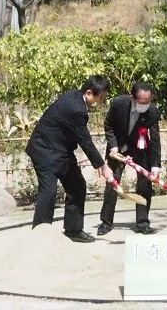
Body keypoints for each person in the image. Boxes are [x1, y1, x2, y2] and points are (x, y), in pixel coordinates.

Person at [25, 75, 115, 243]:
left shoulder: (76, 97)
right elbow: (85, 141)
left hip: (61, 152)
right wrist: (103, 166)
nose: (100, 102)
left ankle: (73, 230)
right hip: (44, 151)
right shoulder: (76, 109)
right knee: (49, 191)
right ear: (89, 93)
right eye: (99, 98)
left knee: (77, 185)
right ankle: (40, 236)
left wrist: (100, 165)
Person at [97, 81, 162, 236]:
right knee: (113, 182)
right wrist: (113, 146)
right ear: (133, 98)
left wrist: (155, 165)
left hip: (140, 148)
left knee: (144, 184)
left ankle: (143, 222)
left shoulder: (152, 111)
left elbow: (155, 138)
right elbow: (108, 125)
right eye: (141, 102)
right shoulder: (119, 103)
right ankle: (106, 222)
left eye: (148, 102)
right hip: (118, 148)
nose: (145, 105)